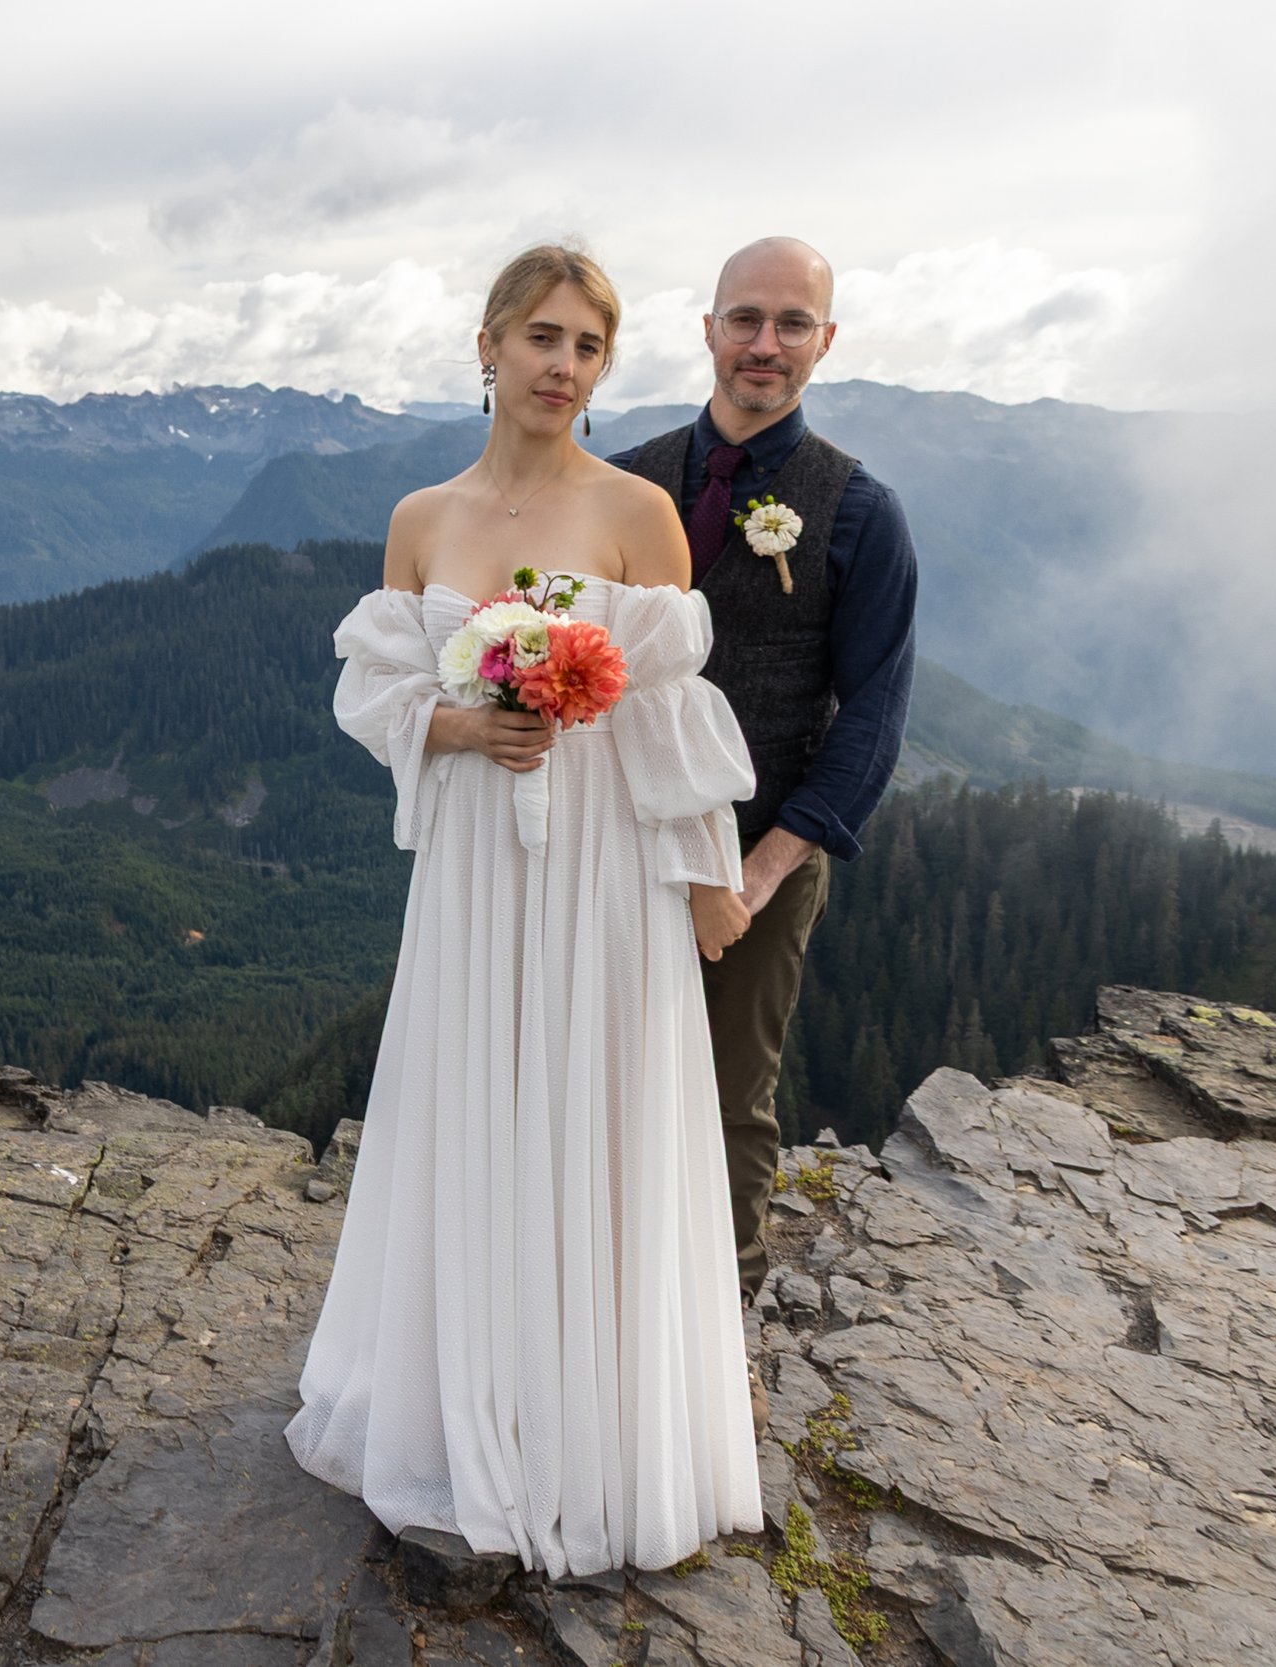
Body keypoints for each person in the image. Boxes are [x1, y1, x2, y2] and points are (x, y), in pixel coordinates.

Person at [283, 244, 763, 1578]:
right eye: (541, 337)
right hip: (480, 865)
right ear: (486, 343)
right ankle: (458, 1404)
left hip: (603, 862)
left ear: (605, 369)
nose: (562, 366)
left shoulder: (638, 518)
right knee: (473, 1105)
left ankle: (586, 1435)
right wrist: (458, 719)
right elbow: (374, 694)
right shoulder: (422, 519)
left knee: (590, 1109)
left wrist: (708, 874)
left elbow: (673, 716)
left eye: (588, 347)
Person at [606, 240, 918, 1345]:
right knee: (596, 1072)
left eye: (793, 324)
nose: (764, 344)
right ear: (705, 329)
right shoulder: (626, 479)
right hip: (615, 839)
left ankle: (713, 1328)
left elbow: (873, 716)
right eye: (745, 318)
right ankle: (597, 1306)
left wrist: (758, 868)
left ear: (824, 343)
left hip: (758, 855)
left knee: (728, 1096)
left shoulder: (857, 511)